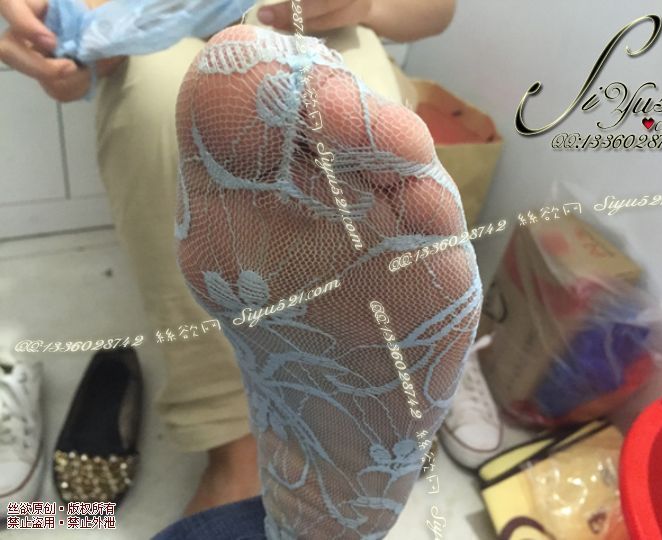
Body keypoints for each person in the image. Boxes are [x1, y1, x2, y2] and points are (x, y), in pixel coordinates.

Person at [0, 0, 459, 526]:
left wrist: (367, 5)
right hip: (165, 27)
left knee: (352, 122)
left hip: (329, 24)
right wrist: (72, 37)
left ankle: (361, 403)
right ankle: (236, 442)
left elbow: (436, 10)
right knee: (157, 104)